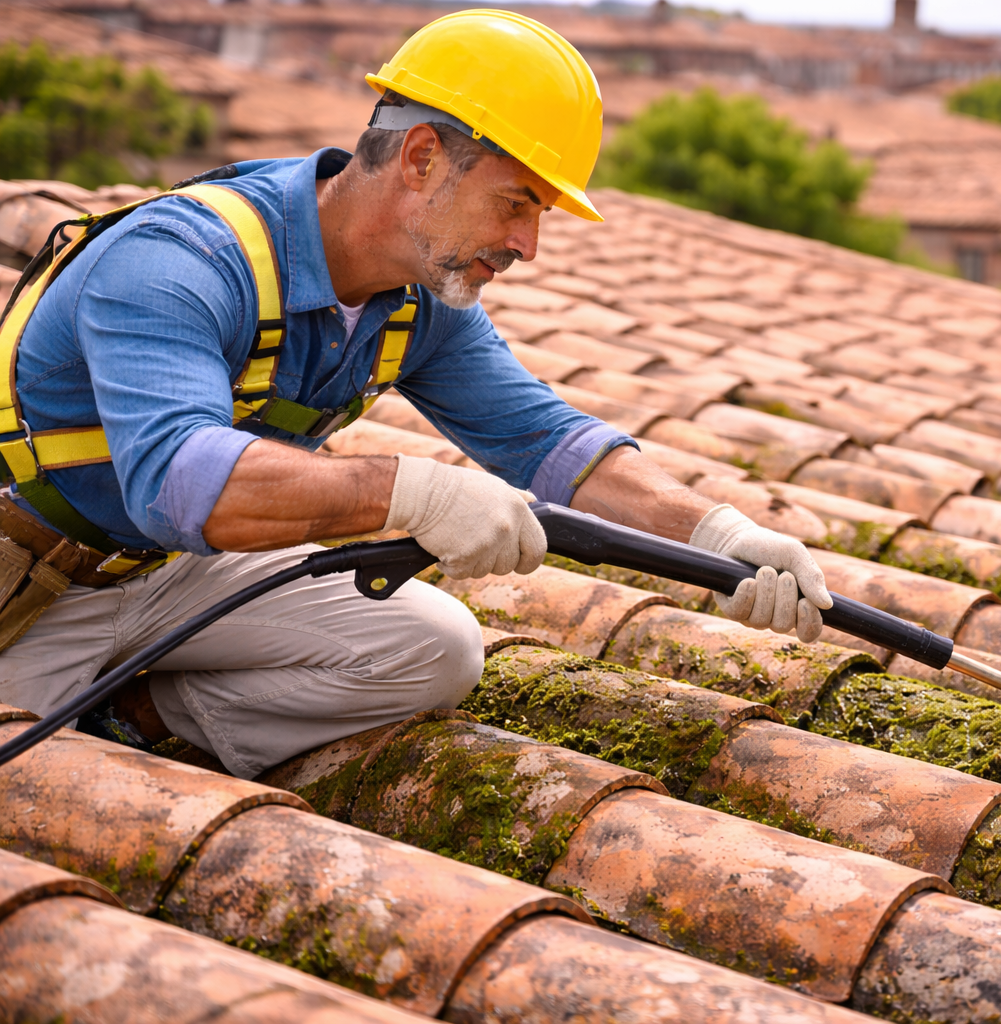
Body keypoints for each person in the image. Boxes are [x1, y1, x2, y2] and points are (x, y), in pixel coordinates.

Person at [0, 10, 829, 779]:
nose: (528, 246)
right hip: (29, 581)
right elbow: (184, 483)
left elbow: (547, 441)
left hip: (173, 572)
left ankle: (138, 721)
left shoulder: (416, 303)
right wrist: (411, 491)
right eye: (516, 205)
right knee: (35, 797)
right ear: (422, 157)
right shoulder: (181, 260)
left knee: (435, 648)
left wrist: (716, 536)